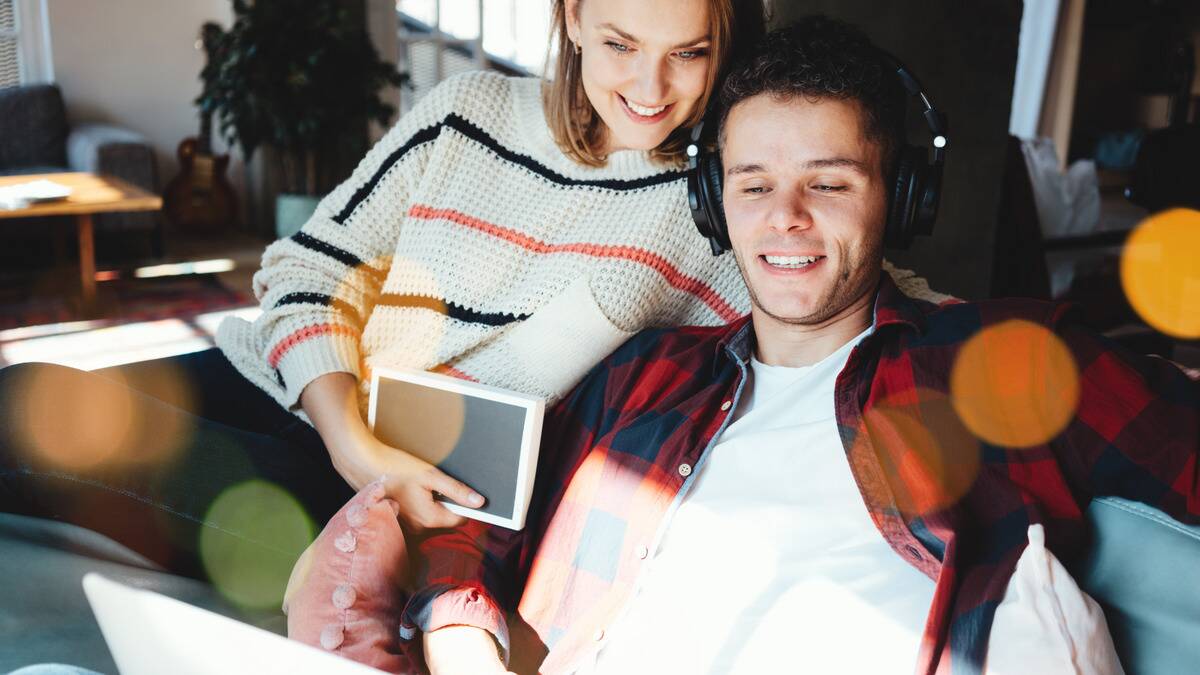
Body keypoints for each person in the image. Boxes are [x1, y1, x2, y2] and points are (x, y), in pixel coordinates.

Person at [405, 16, 1199, 675]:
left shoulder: (1006, 360)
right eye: (752, 185)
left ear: (902, 200)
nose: (785, 216)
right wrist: (460, 637)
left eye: (828, 183)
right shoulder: (643, 373)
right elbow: (470, 512)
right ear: (715, 204)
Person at [0, 0, 778, 580]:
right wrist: (349, 438)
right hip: (304, 393)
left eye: (690, 52)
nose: (651, 86)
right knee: (23, 392)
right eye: (620, 44)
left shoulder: (723, 202)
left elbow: (858, 291)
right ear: (572, 17)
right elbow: (308, 267)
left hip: (398, 502)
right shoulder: (468, 114)